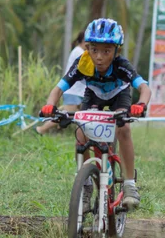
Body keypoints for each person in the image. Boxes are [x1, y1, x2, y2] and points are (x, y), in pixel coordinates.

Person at [40, 18, 152, 209]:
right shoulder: (82, 64)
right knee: (81, 135)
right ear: (87, 48)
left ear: (116, 51)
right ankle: (84, 186)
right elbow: (58, 89)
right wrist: (50, 105)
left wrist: (141, 104)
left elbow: (144, 88)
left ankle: (130, 184)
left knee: (123, 129)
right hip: (94, 96)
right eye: (94, 50)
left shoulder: (121, 65)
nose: (99, 57)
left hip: (120, 95)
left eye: (106, 51)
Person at [36, 31, 86, 135]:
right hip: (73, 89)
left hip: (79, 90)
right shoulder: (79, 52)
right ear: (83, 41)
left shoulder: (79, 51)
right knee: (68, 114)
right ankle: (42, 129)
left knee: (80, 115)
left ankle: (56, 129)